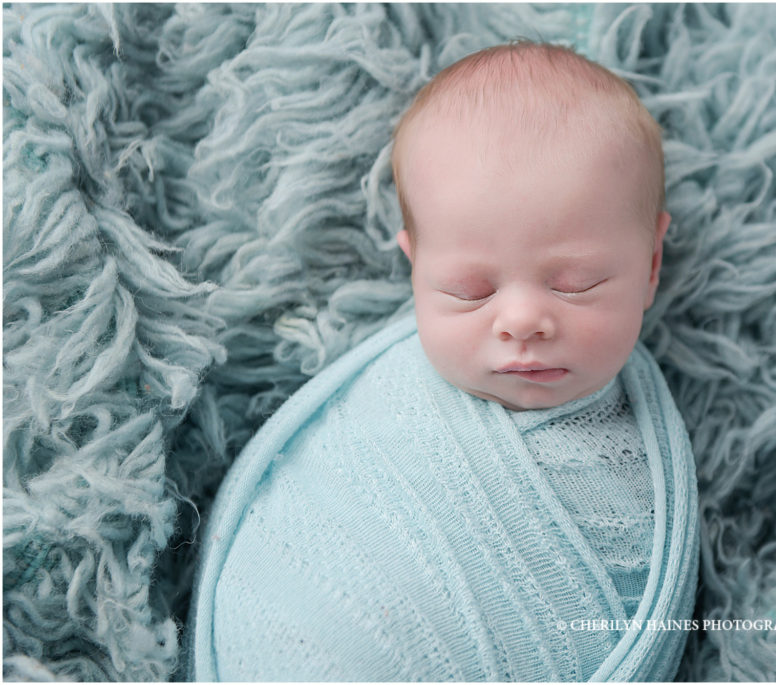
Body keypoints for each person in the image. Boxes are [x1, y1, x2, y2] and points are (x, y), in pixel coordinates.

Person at [190, 41, 697, 682]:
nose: (520, 321)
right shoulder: (375, 416)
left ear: (651, 265)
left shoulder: (650, 442)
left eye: (575, 282)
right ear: (414, 266)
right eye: (469, 291)